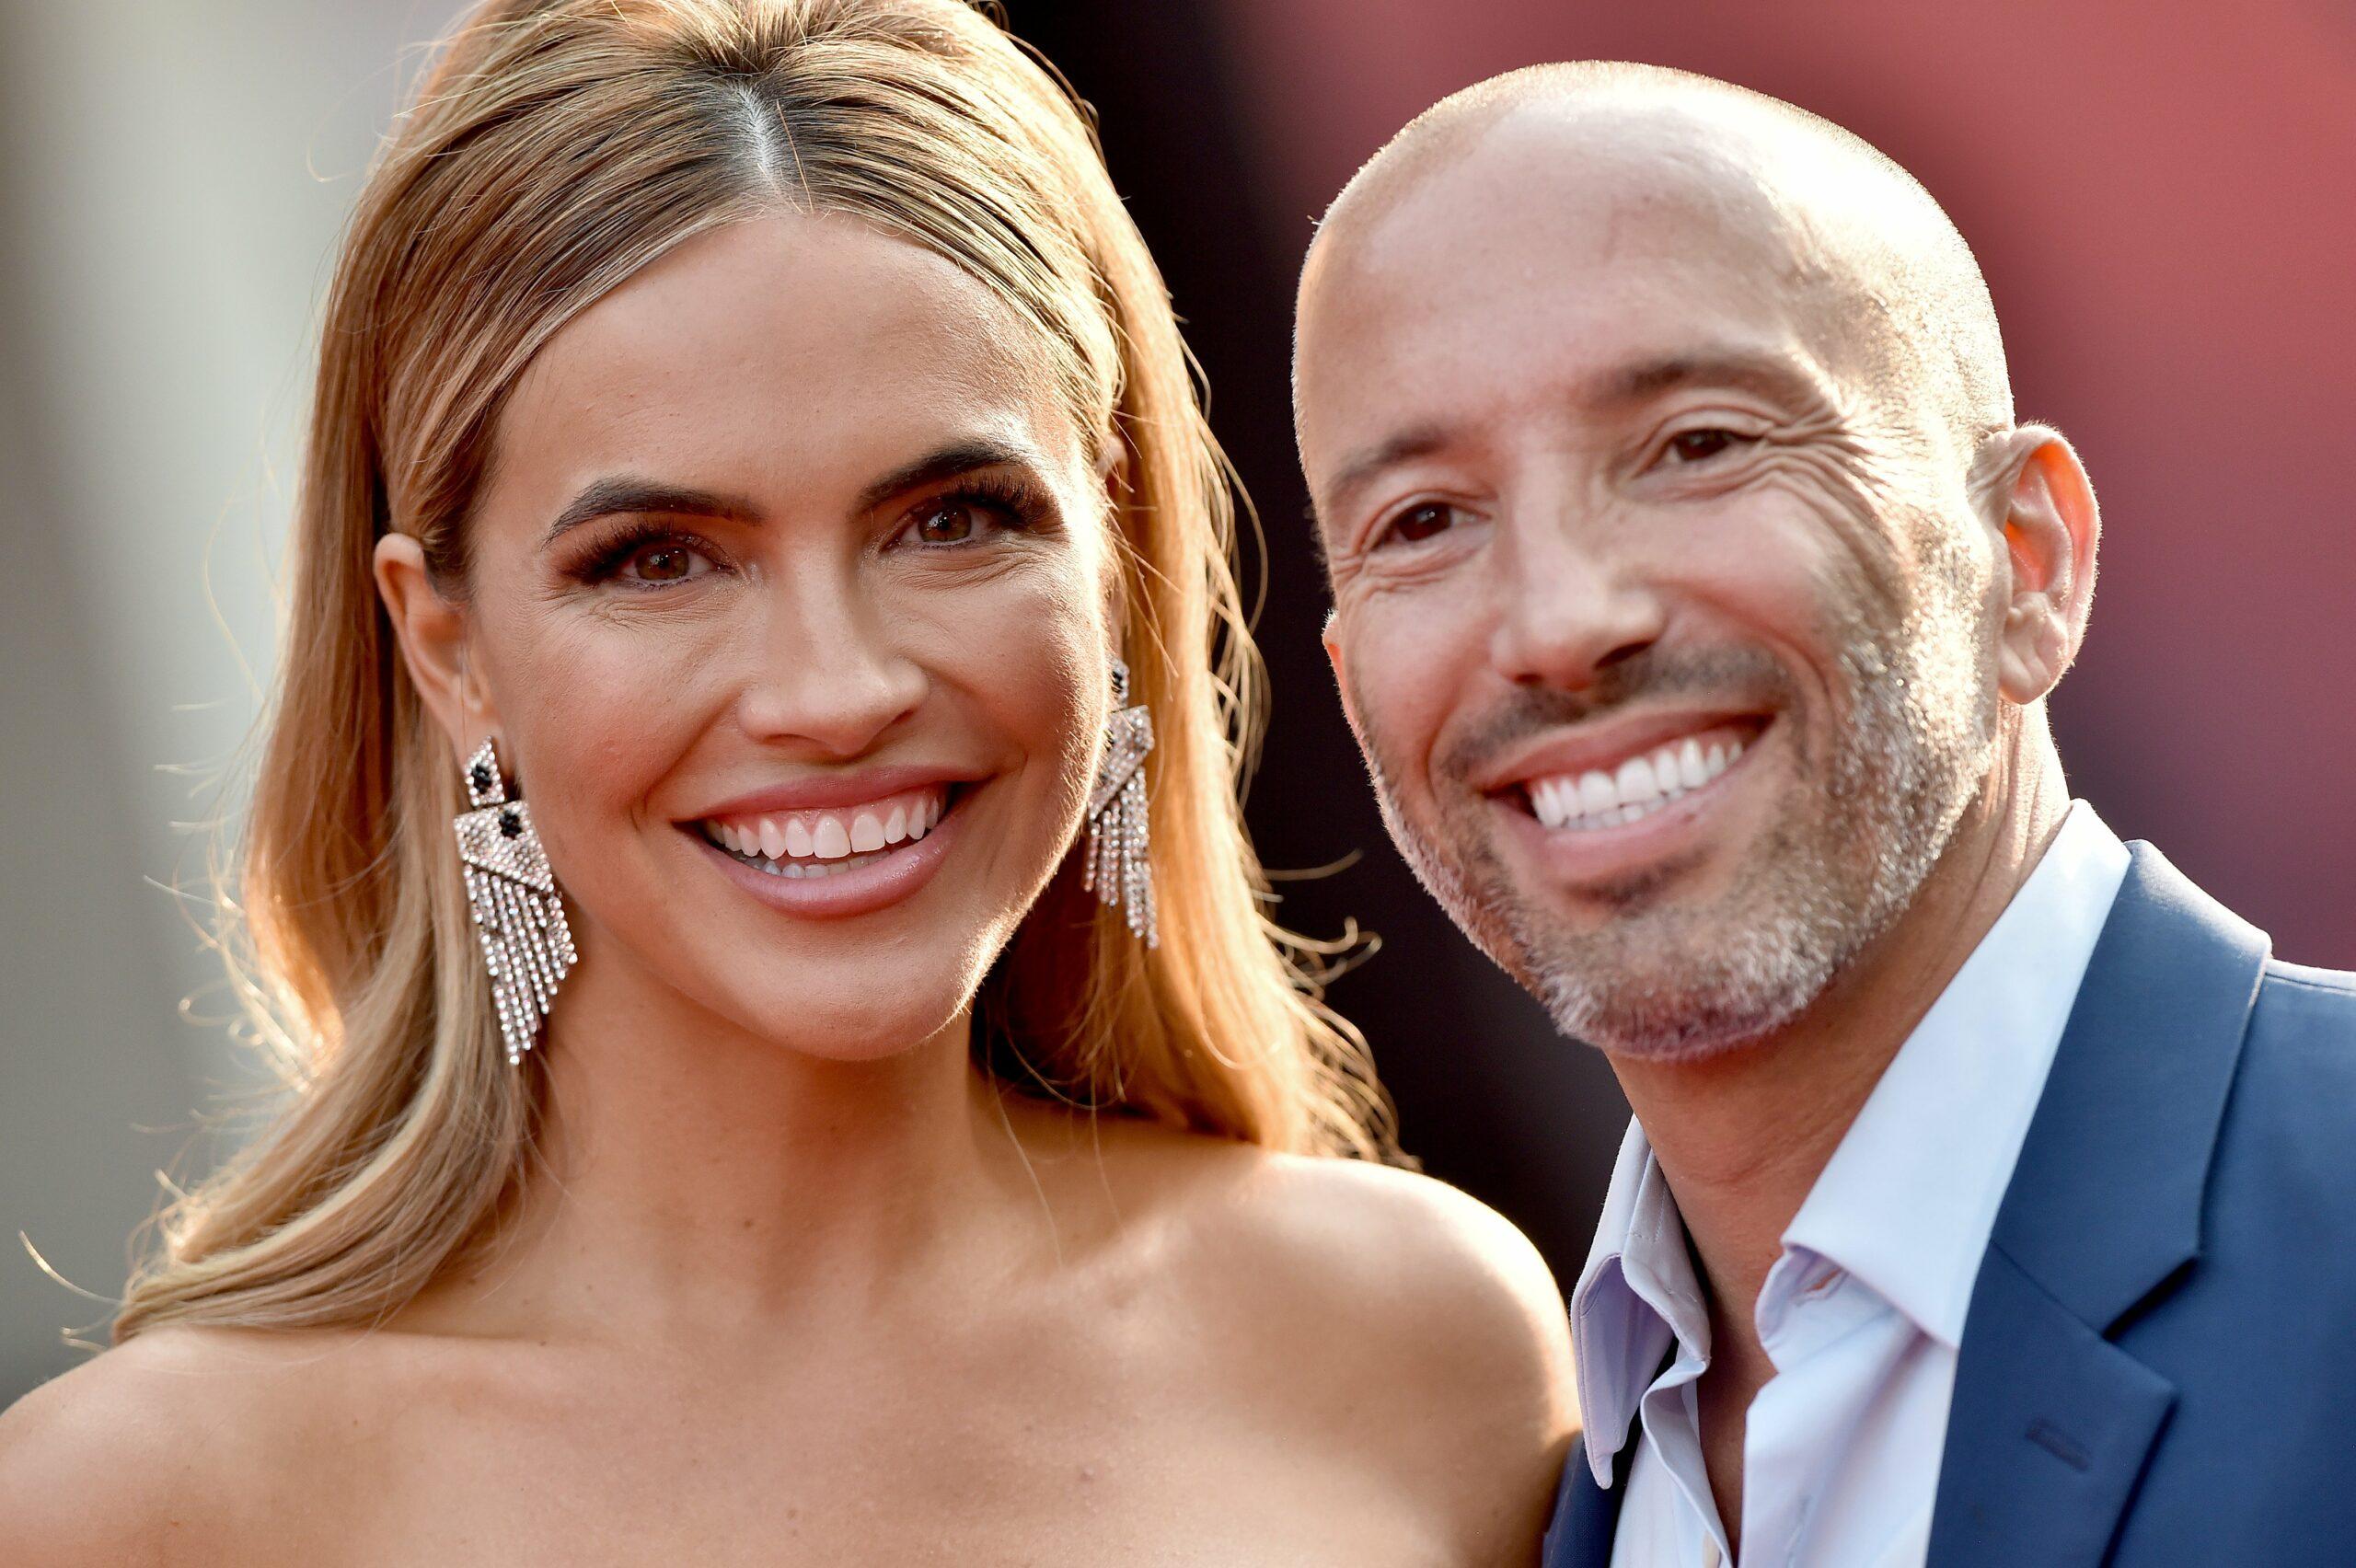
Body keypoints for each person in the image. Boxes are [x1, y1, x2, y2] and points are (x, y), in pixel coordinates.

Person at [0, 3, 1577, 1559]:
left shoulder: (1426, 1344)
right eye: (658, 560)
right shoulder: (147, 1501)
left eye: (951, 521)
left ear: (1113, 556)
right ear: (446, 645)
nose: (835, 692)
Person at [1294, 60, 2356, 1568]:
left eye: (1699, 444)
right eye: (1423, 523)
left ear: (2027, 561)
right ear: (1350, 689)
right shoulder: (1520, 1476)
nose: (1558, 621)